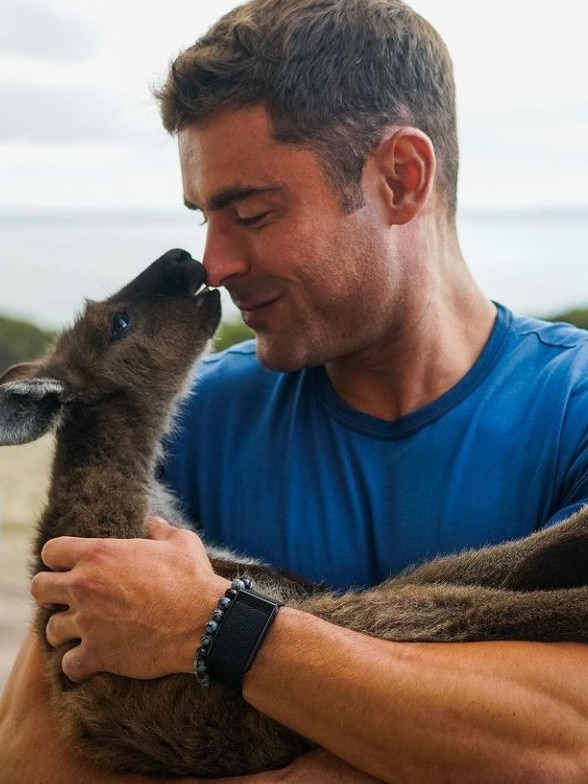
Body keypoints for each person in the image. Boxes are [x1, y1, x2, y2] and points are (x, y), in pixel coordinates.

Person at [2, 0, 588, 781]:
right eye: (205, 217)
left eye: (251, 212)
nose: (212, 266)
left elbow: (569, 741)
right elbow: (34, 752)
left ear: (401, 179)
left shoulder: (571, 407)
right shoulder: (187, 416)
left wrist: (218, 629)